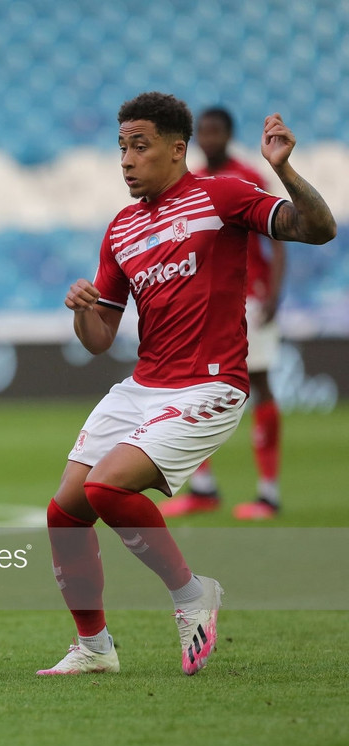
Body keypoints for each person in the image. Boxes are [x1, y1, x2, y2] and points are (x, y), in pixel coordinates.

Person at [40, 93, 335, 676]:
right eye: (121, 147)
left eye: (140, 145)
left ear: (178, 150)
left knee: (107, 488)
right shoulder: (121, 229)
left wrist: (283, 170)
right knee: (64, 513)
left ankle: (191, 592)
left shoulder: (221, 195)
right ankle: (94, 650)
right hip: (144, 386)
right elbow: (100, 337)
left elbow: (317, 229)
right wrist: (81, 309)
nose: (126, 159)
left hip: (209, 386)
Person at [161, 106, 287, 521]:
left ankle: (268, 493)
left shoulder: (247, 176)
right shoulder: (190, 181)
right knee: (191, 385)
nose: (209, 139)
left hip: (252, 295)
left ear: (228, 135)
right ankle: (203, 487)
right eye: (205, 132)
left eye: (217, 132)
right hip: (208, 303)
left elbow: (279, 235)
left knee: (261, 384)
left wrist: (276, 293)